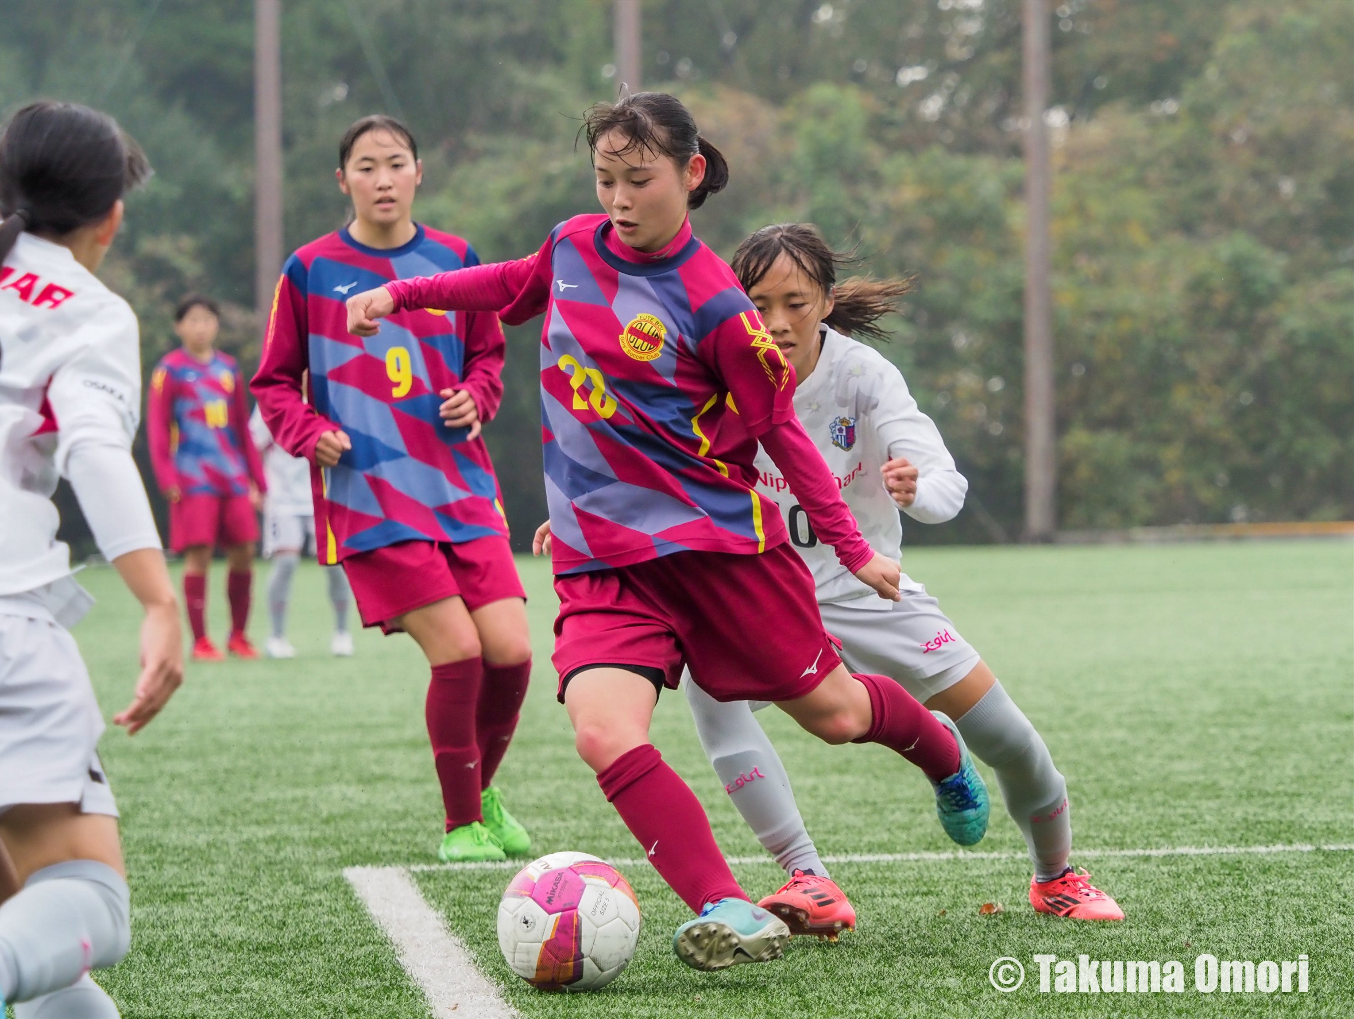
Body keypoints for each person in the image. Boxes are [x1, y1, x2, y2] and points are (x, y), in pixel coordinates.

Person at [346, 92, 990, 971]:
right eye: (605, 177)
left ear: (689, 176)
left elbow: (782, 437)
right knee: (603, 731)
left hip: (723, 558)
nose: (617, 197)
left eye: (637, 179)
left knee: (836, 715)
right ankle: (728, 901)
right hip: (605, 568)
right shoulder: (573, 247)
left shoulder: (719, 309)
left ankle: (941, 752)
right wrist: (402, 292)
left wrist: (853, 549)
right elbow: (503, 285)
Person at [689, 222, 1122, 923]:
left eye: (795, 302)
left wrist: (917, 490)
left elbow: (945, 482)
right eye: (758, 303)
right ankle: (808, 877)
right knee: (712, 699)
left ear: (826, 301)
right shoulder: (713, 374)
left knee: (1009, 738)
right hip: (763, 596)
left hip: (870, 589)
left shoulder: (863, 376)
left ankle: (1057, 875)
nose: (776, 322)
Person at [250, 115, 533, 864]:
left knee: (512, 652)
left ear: (418, 174)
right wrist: (310, 433)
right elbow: (273, 383)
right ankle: (461, 825)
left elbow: (488, 355)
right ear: (342, 179)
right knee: (461, 654)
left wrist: (479, 393)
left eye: (396, 163)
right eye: (366, 166)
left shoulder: (453, 258)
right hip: (370, 496)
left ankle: (483, 793)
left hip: (461, 487)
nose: (382, 178)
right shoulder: (310, 269)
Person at [0, 100, 185, 1019]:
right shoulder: (84, 308)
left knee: (40, 947)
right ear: (112, 216)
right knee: (91, 906)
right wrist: (157, 600)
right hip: (4, 618)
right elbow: (95, 452)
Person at [146, 294, 266, 661]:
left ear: (216, 325)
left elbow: (243, 431)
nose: (200, 327)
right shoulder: (170, 371)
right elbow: (157, 429)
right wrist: (167, 478)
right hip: (193, 479)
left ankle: (238, 636)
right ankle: (200, 641)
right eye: (193, 320)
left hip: (232, 476)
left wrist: (257, 481)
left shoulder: (229, 369)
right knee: (198, 556)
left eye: (207, 320)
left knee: (244, 552)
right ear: (179, 326)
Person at [248, 406, 355, 658]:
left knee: (335, 564)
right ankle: (277, 637)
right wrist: (254, 483)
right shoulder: (277, 396)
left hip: (326, 492)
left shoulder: (330, 392)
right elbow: (253, 443)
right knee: (285, 562)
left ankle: (342, 633)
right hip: (282, 495)